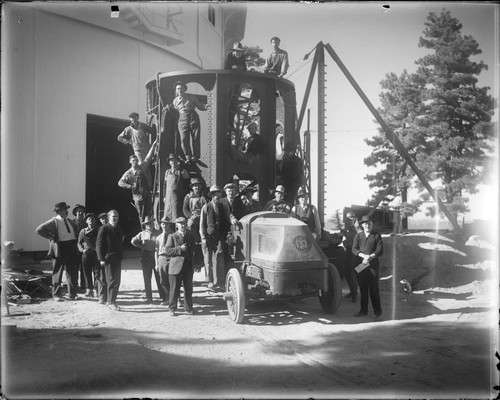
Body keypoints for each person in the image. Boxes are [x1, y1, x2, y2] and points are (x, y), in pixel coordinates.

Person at [35, 202, 80, 301]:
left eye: (66, 209)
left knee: (72, 272)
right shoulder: (53, 221)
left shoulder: (68, 221)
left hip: (71, 247)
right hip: (61, 248)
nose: (66, 211)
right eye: (64, 209)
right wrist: (51, 237)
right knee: (57, 272)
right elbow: (39, 230)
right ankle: (56, 295)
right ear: (59, 211)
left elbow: (75, 230)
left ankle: (72, 294)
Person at [118, 138, 159, 222]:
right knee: (142, 216)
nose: (135, 162)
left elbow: (148, 157)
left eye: (136, 160)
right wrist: (130, 186)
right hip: (138, 197)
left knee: (150, 213)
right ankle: (143, 230)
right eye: (133, 161)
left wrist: (154, 145)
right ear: (130, 162)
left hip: (147, 194)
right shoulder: (128, 173)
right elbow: (120, 183)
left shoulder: (142, 167)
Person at [352, 215, 384, 321]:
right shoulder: (358, 236)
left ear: (372, 224)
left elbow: (380, 250)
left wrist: (370, 257)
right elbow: (354, 249)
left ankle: (378, 313)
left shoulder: (376, 235)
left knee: (374, 289)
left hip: (372, 266)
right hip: (361, 265)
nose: (367, 225)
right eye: (365, 223)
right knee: (362, 288)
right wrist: (363, 256)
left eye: (369, 223)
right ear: (362, 225)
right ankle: (363, 311)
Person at [170, 81, 209, 162]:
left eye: (181, 88)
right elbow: (176, 111)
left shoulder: (191, 97)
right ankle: (188, 156)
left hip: (193, 117)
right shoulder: (175, 101)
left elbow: (200, 106)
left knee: (195, 137)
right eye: (178, 89)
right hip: (182, 119)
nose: (179, 90)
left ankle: (196, 156)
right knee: (184, 139)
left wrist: (207, 106)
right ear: (176, 91)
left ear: (184, 89)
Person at [165, 217, 196, 316]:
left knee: (188, 288)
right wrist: (179, 249)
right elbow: (167, 251)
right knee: (174, 289)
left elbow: (194, 250)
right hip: (175, 267)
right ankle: (172, 308)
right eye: (180, 224)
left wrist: (196, 264)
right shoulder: (172, 236)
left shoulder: (190, 236)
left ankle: (188, 308)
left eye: (184, 223)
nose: (182, 225)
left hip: (188, 266)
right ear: (177, 226)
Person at [131, 216, 165, 304]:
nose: (148, 226)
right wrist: (141, 246)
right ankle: (149, 297)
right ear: (145, 225)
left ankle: (163, 296)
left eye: (150, 223)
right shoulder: (142, 234)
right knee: (147, 277)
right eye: (146, 224)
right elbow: (133, 241)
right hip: (145, 255)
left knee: (159, 276)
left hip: (156, 255)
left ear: (153, 224)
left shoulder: (158, 233)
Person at [96, 210, 124, 310]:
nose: (115, 218)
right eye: (113, 216)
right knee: (111, 280)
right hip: (108, 259)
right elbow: (99, 245)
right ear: (108, 218)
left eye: (117, 216)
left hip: (117, 259)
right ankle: (111, 302)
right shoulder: (104, 228)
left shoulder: (119, 228)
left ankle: (111, 300)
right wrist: (101, 259)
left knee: (117, 280)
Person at [199, 185, 225, 289]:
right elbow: (201, 224)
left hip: (218, 236)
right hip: (208, 236)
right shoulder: (206, 207)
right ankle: (209, 280)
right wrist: (203, 237)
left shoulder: (222, 207)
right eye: (215, 194)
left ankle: (217, 281)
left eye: (219, 194)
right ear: (212, 196)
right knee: (208, 259)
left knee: (218, 257)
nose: (217, 196)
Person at [183, 177, 207, 269]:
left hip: (202, 216)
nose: (196, 187)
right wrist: (190, 216)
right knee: (190, 225)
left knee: (204, 232)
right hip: (192, 217)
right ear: (192, 187)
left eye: (198, 186)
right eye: (195, 186)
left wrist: (203, 216)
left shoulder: (203, 197)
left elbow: (206, 207)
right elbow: (185, 209)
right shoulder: (188, 197)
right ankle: (190, 241)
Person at [77, 213, 99, 298]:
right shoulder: (83, 231)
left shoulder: (99, 230)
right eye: (89, 219)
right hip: (86, 254)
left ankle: (97, 290)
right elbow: (79, 243)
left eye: (92, 219)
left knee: (97, 273)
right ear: (86, 221)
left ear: (95, 220)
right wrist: (82, 250)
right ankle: (89, 290)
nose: (91, 220)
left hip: (96, 254)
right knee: (87, 273)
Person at [163, 153, 190, 221]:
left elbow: (187, 185)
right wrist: (164, 196)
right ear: (169, 162)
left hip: (178, 198)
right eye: (171, 161)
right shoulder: (167, 172)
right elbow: (164, 185)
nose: (173, 162)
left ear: (178, 162)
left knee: (177, 215)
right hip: (168, 198)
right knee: (168, 216)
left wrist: (185, 196)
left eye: (175, 160)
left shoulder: (183, 171)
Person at [155, 217, 175, 306]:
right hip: (161, 259)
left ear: (169, 224)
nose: (164, 225)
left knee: (173, 280)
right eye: (163, 224)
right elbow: (156, 251)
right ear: (160, 225)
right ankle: (167, 299)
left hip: (171, 258)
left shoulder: (174, 236)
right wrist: (156, 263)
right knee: (163, 280)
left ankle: (175, 299)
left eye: (166, 224)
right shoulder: (158, 238)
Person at [341, 212, 361, 303]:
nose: (349, 221)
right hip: (347, 253)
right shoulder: (346, 230)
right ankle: (352, 291)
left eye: (351, 219)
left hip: (355, 254)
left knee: (353, 274)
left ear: (355, 220)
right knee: (346, 273)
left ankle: (354, 295)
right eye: (347, 219)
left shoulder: (359, 230)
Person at [72, 204, 87, 293]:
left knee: (84, 268)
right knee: (74, 269)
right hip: (74, 249)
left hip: (84, 249)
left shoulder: (87, 223)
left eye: (82, 211)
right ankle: (75, 286)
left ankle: (83, 286)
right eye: (78, 211)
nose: (80, 213)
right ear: (75, 213)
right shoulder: (72, 223)